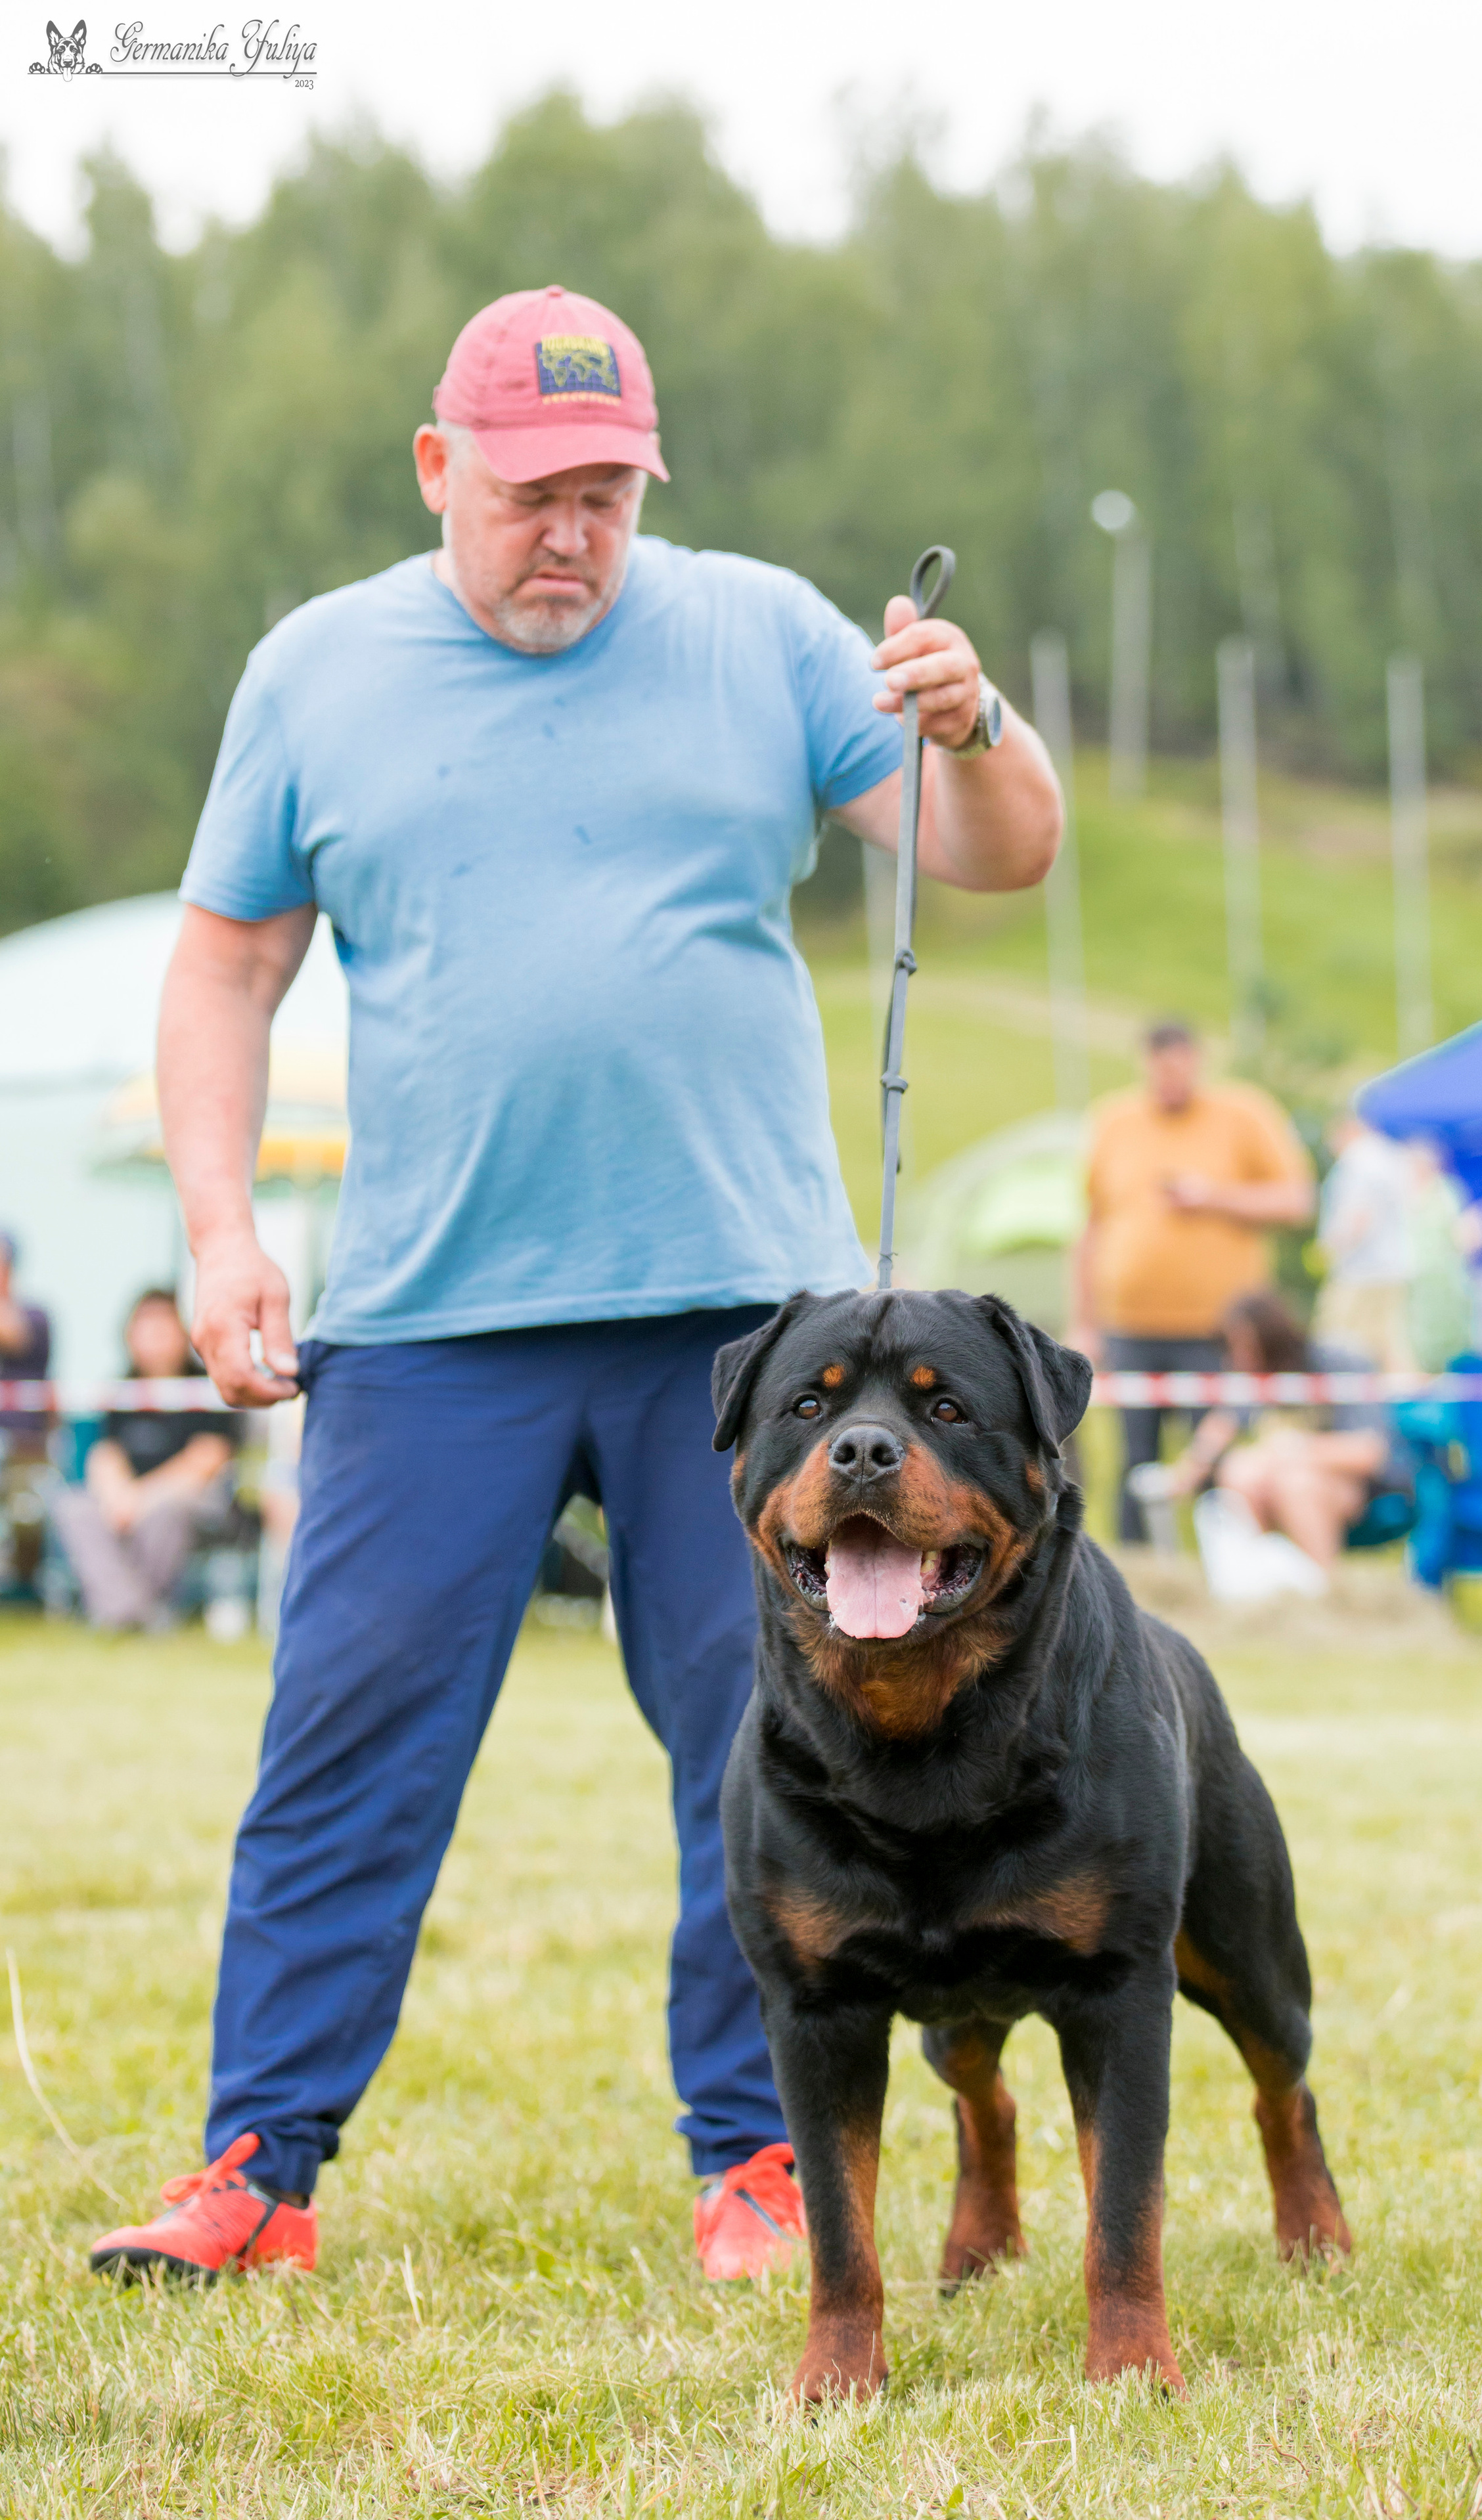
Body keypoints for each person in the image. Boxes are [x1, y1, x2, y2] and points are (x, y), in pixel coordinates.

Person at [87, 285, 1062, 2288]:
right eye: (531, 493)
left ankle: (767, 2166)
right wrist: (217, 1229)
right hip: (432, 1317)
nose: (570, 535)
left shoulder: (766, 634)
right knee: (344, 1740)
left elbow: (994, 854)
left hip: (748, 1336)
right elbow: (226, 966)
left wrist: (977, 723)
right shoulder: (315, 672)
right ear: (440, 471)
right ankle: (259, 2172)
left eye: (606, 494)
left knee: (770, 1744)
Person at [1071, 1019, 1315, 1541]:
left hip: (1219, 1329)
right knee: (1134, 1458)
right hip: (1131, 1325)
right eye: (1160, 1071)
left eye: (1180, 1069)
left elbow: (1296, 1200)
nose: (1170, 1081)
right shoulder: (1115, 1121)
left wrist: (1214, 1197)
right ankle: (1134, 1570)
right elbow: (1090, 1228)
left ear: (1198, 1061)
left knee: (1216, 1455)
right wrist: (1084, 1322)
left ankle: (1222, 1558)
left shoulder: (1243, 1114)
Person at [1161, 1289, 1412, 1570]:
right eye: (1231, 1349)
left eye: (1245, 1348)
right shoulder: (1254, 1377)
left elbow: (1369, 1453)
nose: (1238, 1359)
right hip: (1279, 1479)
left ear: (1272, 1340)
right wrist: (1184, 1474)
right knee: (1240, 1471)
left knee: (1296, 1483)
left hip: (1360, 1493)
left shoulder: (1337, 1362)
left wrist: (1294, 1449)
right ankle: (1259, 1587)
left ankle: (1324, 1590)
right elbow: (1222, 1425)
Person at [49, 1289, 236, 1632]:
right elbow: (105, 1454)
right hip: (127, 1499)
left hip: (184, 1497)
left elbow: (207, 1458)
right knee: (74, 1508)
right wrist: (120, 1497)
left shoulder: (207, 1388)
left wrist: (142, 1498)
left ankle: (122, 1613)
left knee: (167, 1514)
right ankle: (136, 1613)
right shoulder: (120, 1390)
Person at [1313, 1109, 1416, 1371]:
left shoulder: (1357, 1161)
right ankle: (1407, 1403)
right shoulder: (1390, 1156)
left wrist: (1332, 1247)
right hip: (1392, 1265)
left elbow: (1358, 1216)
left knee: (1335, 1338)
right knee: (1386, 1342)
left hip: (1360, 1270)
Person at [0, 1227, 55, 1593]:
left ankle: (25, 1586)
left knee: (27, 1510)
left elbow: (13, 1333)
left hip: (25, 1449)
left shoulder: (34, 1316)